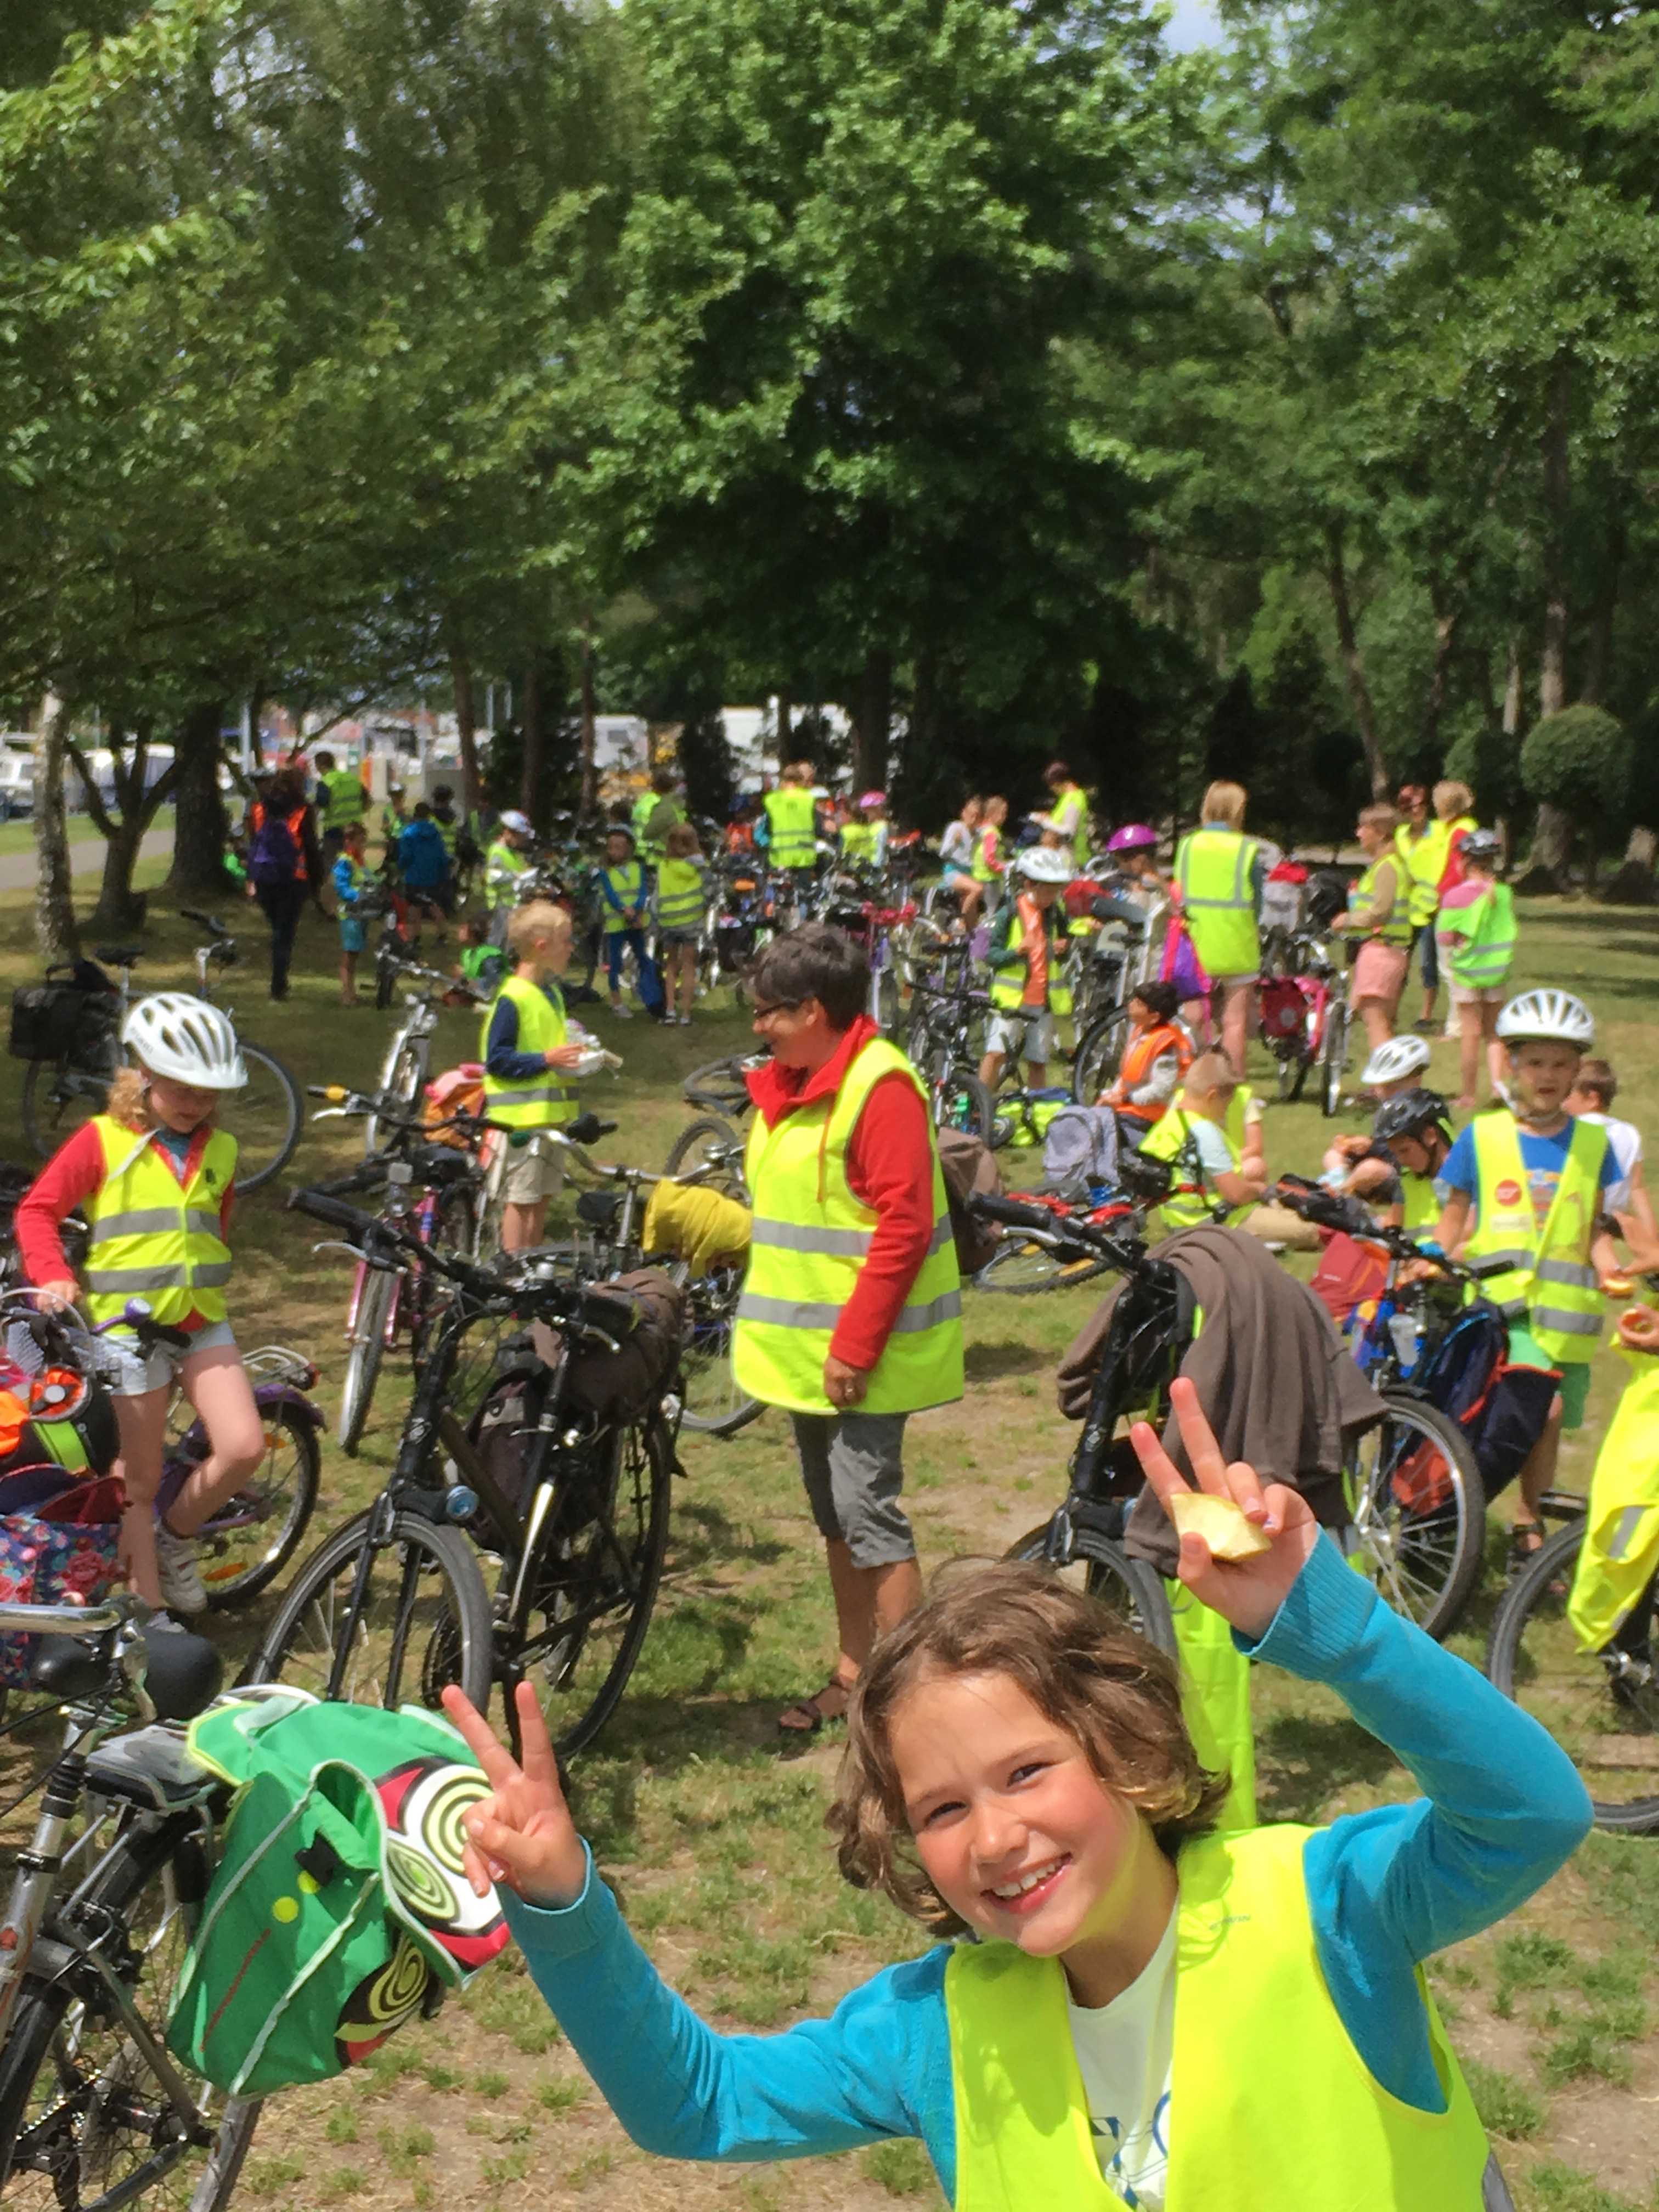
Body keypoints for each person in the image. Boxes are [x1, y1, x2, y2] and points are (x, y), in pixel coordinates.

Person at [439, 1378, 1588, 2212]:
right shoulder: (938, 2026)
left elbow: (1530, 1815)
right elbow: (695, 2106)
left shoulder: (1328, 1911)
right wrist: (562, 1901)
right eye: (941, 1811)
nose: (994, 1836)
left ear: (1126, 1748)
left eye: (1028, 1772)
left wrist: (1339, 1637)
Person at [730, 923, 963, 1735]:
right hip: (807, 1357)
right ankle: (855, 1672)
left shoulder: (880, 1087)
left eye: (771, 1013)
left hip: (863, 1360)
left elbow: (902, 1227)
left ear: (817, 1010)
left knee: (870, 1518)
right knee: (836, 1518)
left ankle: (910, 1705)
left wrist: (853, 1349)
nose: (759, 1027)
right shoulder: (793, 1083)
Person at [17, 996, 266, 1617]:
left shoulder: (223, 1149)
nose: (194, 1105)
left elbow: (215, 1226)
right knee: (138, 1481)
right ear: (146, 1076)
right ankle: (147, 1619)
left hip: (201, 1319)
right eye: (181, 1090)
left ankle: (175, 1537)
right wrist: (52, 1274)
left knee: (243, 1447)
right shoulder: (103, 1139)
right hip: (125, 1332)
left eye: (208, 1095)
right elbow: (38, 1211)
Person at [1434, 990, 1624, 1565]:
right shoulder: (1482, 1136)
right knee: (1544, 1411)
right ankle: (1515, 1521)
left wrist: (1611, 1267)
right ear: (1512, 1065)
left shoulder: (1595, 1143)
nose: (1548, 1075)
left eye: (1562, 1064)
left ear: (1578, 1072)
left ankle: (1520, 1517)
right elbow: (1452, 1221)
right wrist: (1431, 1260)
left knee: (1544, 1421)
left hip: (1567, 1321)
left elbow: (1593, 1226)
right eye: (1536, 1062)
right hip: (1501, 1308)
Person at [479, 902, 591, 1252]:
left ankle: (531, 1270)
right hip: (521, 1124)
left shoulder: (551, 993)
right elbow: (497, 1060)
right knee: (521, 1200)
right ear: (542, 946)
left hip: (550, 1120)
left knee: (541, 1200)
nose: (571, 949)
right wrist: (546, 1059)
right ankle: (513, 1272)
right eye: (566, 942)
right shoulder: (513, 998)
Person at [1172, 781, 1262, 1081]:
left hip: (1195, 942)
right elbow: (1257, 901)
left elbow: (1179, 893)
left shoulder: (1187, 846)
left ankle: (1192, 1078)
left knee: (1193, 1017)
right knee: (1234, 1022)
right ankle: (1233, 1084)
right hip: (1237, 941)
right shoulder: (1247, 849)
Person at [979, 847, 1074, 1094]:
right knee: (996, 1054)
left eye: (1057, 891)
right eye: (1048, 891)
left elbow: (1062, 949)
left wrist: (1064, 949)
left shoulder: (1055, 913)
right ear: (1029, 884)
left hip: (1043, 1000)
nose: (1053, 897)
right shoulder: (1009, 913)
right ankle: (979, 1105)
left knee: (1038, 1060)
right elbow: (990, 955)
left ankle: (1037, 1105)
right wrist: (1016, 952)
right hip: (1011, 1000)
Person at [1138, 1052, 1268, 1232]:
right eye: (1227, 1103)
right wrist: (1260, 1189)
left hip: (1178, 1224)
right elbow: (1236, 1194)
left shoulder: (1166, 1126)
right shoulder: (1203, 1130)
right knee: (1312, 1226)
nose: (1226, 1110)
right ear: (1212, 1096)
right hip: (1221, 1221)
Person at [1434, 829, 1514, 1112]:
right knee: (1495, 1032)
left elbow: (1445, 938)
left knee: (1470, 1032)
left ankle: (1468, 1094)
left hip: (1468, 971)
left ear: (1465, 862)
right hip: (1496, 970)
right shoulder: (1504, 894)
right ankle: (1497, 1085)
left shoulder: (1455, 896)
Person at [1330, 804, 1411, 1055]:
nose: (1358, 833)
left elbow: (1381, 911)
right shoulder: (1385, 865)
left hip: (1382, 949)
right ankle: (1387, 1083)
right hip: (1384, 950)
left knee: (1376, 1025)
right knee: (1379, 1023)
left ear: (1380, 832)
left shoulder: (1387, 866)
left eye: (1364, 827)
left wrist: (1347, 920)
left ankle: (1386, 1086)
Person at [1567, 1057, 1659, 1267]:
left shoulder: (1571, 1129)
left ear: (1592, 1098)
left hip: (1571, 1223)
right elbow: (1637, 1190)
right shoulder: (1629, 1133)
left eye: (1569, 1094)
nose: (1563, 1102)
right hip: (1608, 1226)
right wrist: (1652, 1241)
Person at [245, 766, 324, 1001]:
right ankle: (278, 986)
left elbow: (255, 846)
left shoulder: (259, 810)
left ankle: (279, 981)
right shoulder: (302, 811)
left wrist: (250, 878)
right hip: (294, 880)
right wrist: (317, 883)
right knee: (284, 934)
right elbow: (310, 848)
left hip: (265, 879)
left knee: (277, 929)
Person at [1320, 1034, 1431, 1195]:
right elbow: (1380, 1143)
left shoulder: (1419, 1113)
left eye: (1392, 1086)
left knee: (1370, 1169)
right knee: (1332, 1155)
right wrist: (1357, 1145)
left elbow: (1407, 1156)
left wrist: (1370, 1147)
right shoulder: (1387, 1111)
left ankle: (1339, 1190)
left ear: (1417, 1080)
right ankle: (1339, 1180)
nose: (1383, 1092)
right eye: (1381, 1086)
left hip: (1402, 1174)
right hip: (1379, 1164)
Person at [1096, 979, 1190, 1139]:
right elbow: (1126, 1078)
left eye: (1138, 1004)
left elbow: (1162, 1089)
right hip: (1129, 1107)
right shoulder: (1141, 1031)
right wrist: (1111, 1095)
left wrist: (1125, 1099)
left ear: (1154, 1017)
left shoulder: (1165, 1045)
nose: (1131, 1004)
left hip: (1149, 1116)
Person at [1392, 785, 1448, 1034]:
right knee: (1398, 962)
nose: (1420, 811)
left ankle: (1426, 1014)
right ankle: (1391, 1009)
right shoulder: (1400, 835)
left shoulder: (1439, 831)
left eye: (1423, 805)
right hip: (1405, 909)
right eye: (1413, 807)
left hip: (1431, 908)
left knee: (1428, 963)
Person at [596, 823, 665, 1020]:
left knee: (643, 958)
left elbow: (642, 891)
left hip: (635, 920)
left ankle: (653, 996)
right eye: (611, 847)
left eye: (620, 847)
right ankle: (617, 1002)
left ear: (629, 849)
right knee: (615, 963)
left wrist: (636, 909)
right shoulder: (605, 872)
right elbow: (610, 894)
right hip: (617, 923)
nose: (615, 852)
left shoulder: (637, 868)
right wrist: (624, 909)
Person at [1367, 1088, 1457, 1232]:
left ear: (1430, 1136)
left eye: (1405, 1151)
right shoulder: (1409, 1179)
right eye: (1395, 1153)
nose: (1401, 1161)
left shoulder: (1468, 1178)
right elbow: (1393, 1223)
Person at [654, 821, 710, 1025]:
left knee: (670, 966)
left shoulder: (664, 866)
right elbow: (709, 888)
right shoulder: (699, 867)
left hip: (669, 920)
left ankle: (670, 1011)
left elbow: (658, 893)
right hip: (691, 921)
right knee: (688, 966)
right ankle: (686, 1014)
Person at [331, 821, 375, 1006]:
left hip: (361, 914)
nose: (362, 844)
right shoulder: (345, 861)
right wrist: (357, 896)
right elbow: (341, 886)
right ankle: (347, 995)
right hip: (349, 914)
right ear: (349, 841)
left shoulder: (359, 860)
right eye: (359, 840)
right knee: (349, 954)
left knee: (355, 953)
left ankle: (352, 992)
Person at [762, 761, 821, 898]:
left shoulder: (772, 800)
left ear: (783, 780)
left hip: (780, 858)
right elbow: (818, 828)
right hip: (804, 858)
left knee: (780, 897)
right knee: (803, 897)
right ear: (800, 781)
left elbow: (766, 828)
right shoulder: (808, 798)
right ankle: (801, 917)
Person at [397, 800, 453, 940]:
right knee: (434, 905)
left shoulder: (409, 832)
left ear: (415, 814)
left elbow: (406, 855)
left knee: (415, 907)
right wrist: (443, 873)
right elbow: (442, 855)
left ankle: (416, 937)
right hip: (432, 874)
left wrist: (400, 866)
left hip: (414, 875)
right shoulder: (435, 832)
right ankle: (443, 934)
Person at [483, 809, 535, 946]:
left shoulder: (515, 853)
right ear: (507, 832)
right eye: (519, 836)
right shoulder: (497, 851)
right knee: (496, 945)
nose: (521, 840)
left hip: (512, 906)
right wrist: (516, 876)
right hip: (499, 907)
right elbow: (493, 878)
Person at [1035, 759, 1093, 870]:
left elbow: (1069, 831)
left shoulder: (1075, 798)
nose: (1052, 790)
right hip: (1060, 855)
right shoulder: (1065, 798)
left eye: (1052, 786)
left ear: (1058, 783)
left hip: (1072, 856)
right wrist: (1048, 818)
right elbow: (1060, 821)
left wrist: (1045, 822)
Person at [312, 748, 367, 856]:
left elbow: (319, 806)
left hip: (335, 831)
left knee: (332, 865)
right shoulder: (352, 779)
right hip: (355, 829)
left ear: (319, 765)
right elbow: (367, 801)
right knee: (354, 863)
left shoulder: (326, 782)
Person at [966, 794, 1008, 928]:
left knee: (984, 908)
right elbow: (990, 859)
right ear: (992, 814)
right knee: (992, 910)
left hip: (978, 874)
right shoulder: (991, 832)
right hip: (989, 877)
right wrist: (1005, 867)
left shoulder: (981, 829)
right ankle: (989, 935)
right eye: (1003, 814)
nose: (1005, 818)